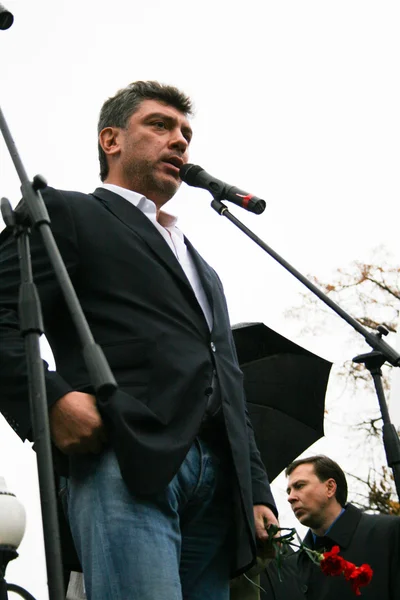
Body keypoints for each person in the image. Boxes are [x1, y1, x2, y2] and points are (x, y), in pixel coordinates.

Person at [0, 80, 278, 600]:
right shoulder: (66, 211)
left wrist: (255, 487)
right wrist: (52, 398)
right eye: (160, 125)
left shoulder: (203, 266)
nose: (179, 141)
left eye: (186, 133)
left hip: (217, 488)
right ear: (111, 140)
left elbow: (227, 377)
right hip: (124, 458)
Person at [261, 455, 400, 599]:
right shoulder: (295, 563)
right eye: (289, 491)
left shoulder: (388, 534)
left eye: (299, 486)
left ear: (330, 487)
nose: (290, 497)